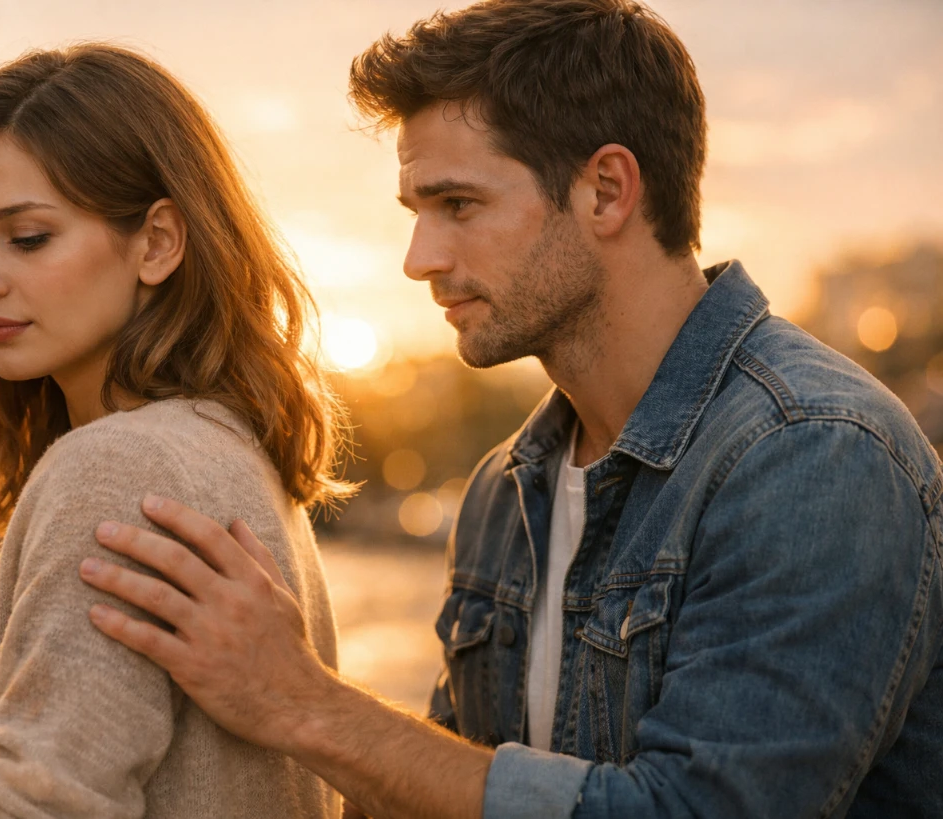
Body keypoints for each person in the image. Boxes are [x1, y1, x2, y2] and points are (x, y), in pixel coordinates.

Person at [78, 1, 943, 817]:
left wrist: (307, 704)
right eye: (417, 211)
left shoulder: (815, 453)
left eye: (458, 204)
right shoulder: (506, 488)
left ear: (606, 190)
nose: (419, 258)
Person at [0, 43, 350, 818]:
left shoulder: (123, 465)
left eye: (29, 236)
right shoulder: (219, 447)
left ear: (157, 242)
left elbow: (38, 803)